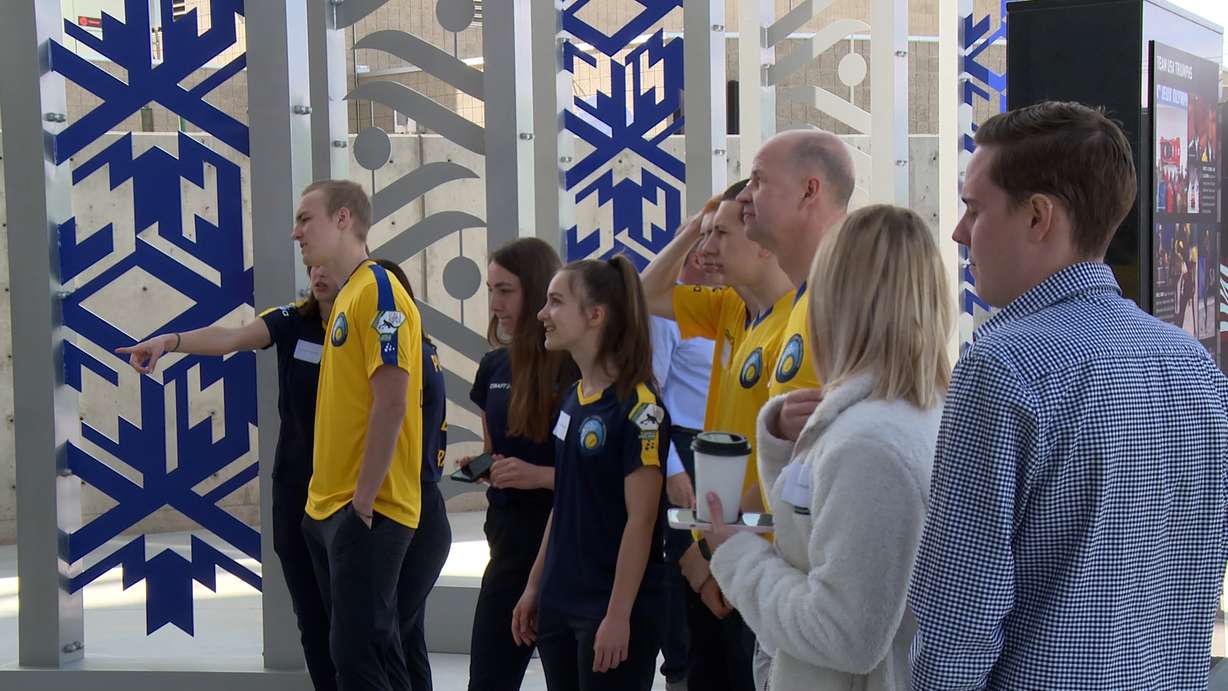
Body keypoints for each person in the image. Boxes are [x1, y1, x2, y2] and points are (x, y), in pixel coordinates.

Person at [909, 101, 1228, 689]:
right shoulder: (1194, 366)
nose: (958, 232)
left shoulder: (1002, 367)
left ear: (1038, 217)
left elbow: (960, 613)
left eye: (974, 209)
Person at [699, 205, 951, 691]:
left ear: (837, 299)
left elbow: (845, 634)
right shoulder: (902, 416)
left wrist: (734, 554)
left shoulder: (871, 444)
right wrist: (781, 443)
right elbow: (815, 535)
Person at [117, 265, 341, 691]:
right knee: (312, 619)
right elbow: (231, 338)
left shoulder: (371, 322)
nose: (318, 273)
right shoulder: (292, 320)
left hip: (347, 493)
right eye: (311, 265)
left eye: (326, 264)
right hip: (296, 488)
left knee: (351, 623)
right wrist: (170, 342)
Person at [641, 180, 793, 691]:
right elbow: (647, 292)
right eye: (705, 236)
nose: (706, 250)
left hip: (760, 548)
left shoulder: (800, 320)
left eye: (721, 235)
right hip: (718, 534)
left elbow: (791, 460)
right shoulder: (730, 308)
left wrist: (721, 549)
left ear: (762, 240)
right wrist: (690, 229)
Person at [511, 256, 669, 691]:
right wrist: (534, 586)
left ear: (595, 315)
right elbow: (565, 504)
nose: (543, 314)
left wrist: (619, 615)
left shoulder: (641, 409)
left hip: (607, 607)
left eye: (556, 302)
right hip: (561, 601)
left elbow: (642, 521)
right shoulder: (574, 399)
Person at [294, 179, 424, 691]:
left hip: (369, 511)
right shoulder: (348, 297)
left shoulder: (380, 293)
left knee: (359, 658)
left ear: (344, 218)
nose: (296, 232)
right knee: (370, 656)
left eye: (307, 219)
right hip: (330, 509)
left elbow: (392, 403)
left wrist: (363, 504)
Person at [465, 238, 578, 691]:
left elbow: (605, 475)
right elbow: (495, 451)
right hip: (509, 548)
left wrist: (537, 477)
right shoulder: (493, 366)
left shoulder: (575, 368)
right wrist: (481, 465)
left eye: (505, 291)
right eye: (490, 290)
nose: (495, 304)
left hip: (565, 551)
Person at [371, 258, 452, 691]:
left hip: (410, 503)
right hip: (424, 503)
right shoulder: (424, 345)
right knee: (407, 631)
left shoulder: (405, 356)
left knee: (388, 635)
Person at [736, 129, 853, 403]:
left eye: (758, 181)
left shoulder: (849, 298)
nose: (742, 196)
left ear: (808, 191)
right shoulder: (808, 296)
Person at [650, 241, 717, 690]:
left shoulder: (736, 310)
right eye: (701, 246)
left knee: (721, 570)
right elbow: (650, 393)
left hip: (727, 449)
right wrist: (672, 465)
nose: (710, 256)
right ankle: (680, 676)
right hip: (682, 448)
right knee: (684, 571)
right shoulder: (668, 313)